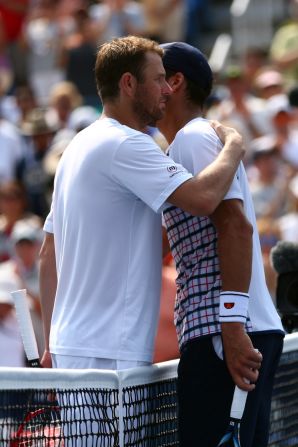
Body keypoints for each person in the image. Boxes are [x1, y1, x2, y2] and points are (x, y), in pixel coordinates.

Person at [39, 36, 245, 373]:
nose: (167, 89)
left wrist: (50, 341)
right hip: (110, 355)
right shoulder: (127, 144)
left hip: (71, 347)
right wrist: (234, 146)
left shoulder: (78, 146)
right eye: (158, 79)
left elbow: (49, 252)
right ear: (129, 84)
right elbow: (205, 199)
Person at [157, 41, 285, 447]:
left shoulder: (192, 140)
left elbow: (237, 229)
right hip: (230, 330)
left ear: (175, 83)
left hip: (223, 332)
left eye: (154, 76)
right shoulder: (200, 139)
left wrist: (230, 327)